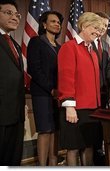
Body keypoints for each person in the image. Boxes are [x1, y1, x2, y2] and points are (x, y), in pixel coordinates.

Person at [58, 12, 104, 166]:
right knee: (73, 147)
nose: (98, 32)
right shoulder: (69, 47)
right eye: (95, 28)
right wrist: (70, 107)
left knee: (89, 145)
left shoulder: (93, 51)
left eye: (100, 29)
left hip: (93, 108)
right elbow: (66, 78)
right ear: (84, 25)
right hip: (76, 108)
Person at [27, 11, 63, 166]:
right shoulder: (36, 41)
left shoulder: (61, 47)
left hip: (58, 94)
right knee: (45, 129)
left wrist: (59, 91)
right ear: (44, 24)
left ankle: (53, 164)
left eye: (59, 22)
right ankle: (42, 166)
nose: (57, 24)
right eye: (53, 21)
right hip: (42, 93)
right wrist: (51, 89)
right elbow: (34, 69)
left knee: (55, 129)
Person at [0, 0, 25, 166]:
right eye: (8, 13)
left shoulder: (15, 44)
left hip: (15, 114)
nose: (15, 17)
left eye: (16, 14)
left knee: (13, 159)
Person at [91, 11, 110, 166]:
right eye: (102, 24)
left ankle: (99, 161)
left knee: (100, 130)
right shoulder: (86, 41)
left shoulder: (104, 44)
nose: (104, 28)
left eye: (106, 25)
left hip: (102, 93)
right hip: (89, 95)